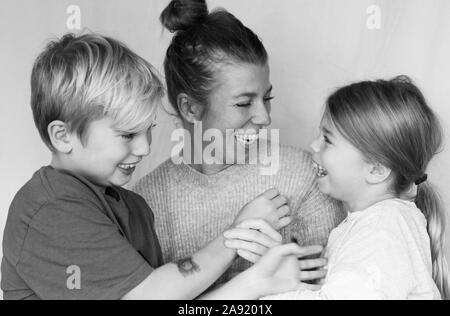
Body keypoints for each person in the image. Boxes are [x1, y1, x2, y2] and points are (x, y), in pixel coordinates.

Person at [1, 32, 321, 300]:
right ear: (62, 135)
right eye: (127, 134)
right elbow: (151, 295)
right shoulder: (52, 209)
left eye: (148, 129)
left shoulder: (132, 206)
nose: (144, 148)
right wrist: (235, 237)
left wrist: (256, 284)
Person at [133, 0, 345, 286]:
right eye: (244, 102)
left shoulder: (304, 175)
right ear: (190, 108)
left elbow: (338, 288)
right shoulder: (146, 203)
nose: (264, 117)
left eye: (266, 99)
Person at [259, 76, 450, 299]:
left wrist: (267, 285)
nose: (313, 145)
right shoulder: (381, 222)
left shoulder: (381, 230)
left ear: (376, 170)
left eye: (327, 140)